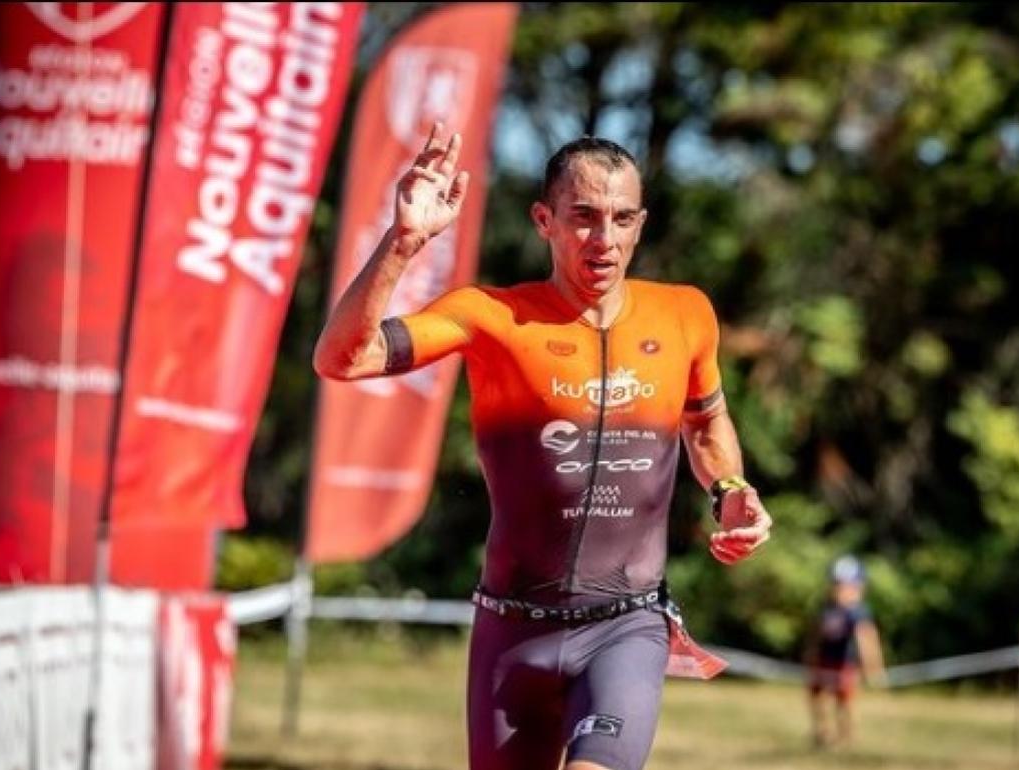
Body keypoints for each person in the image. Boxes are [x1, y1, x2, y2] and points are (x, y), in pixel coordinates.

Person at [313, 124, 773, 770]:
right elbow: (343, 358)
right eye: (583, 217)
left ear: (641, 224)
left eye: (621, 218)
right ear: (543, 221)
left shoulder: (686, 315)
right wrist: (403, 243)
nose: (604, 239)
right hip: (511, 631)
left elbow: (705, 422)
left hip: (626, 624)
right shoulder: (490, 316)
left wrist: (730, 490)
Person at [803, 555, 886, 749]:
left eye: (848, 586)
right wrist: (811, 656)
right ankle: (822, 733)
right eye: (837, 585)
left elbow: (867, 641)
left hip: (844, 664)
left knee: (845, 702)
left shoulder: (858, 612)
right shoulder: (826, 608)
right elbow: (816, 634)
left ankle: (846, 736)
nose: (841, 591)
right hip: (824, 661)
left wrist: (873, 668)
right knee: (817, 697)